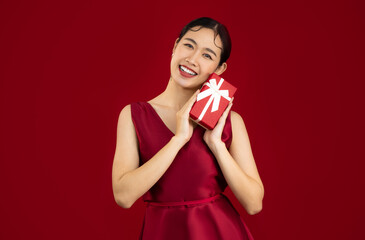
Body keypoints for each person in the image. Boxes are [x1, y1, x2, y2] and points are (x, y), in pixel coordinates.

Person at [112, 17, 264, 240]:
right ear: (175, 46)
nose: (192, 59)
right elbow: (123, 196)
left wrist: (217, 145)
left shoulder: (231, 122)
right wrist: (179, 139)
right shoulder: (133, 115)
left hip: (219, 232)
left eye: (207, 55)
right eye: (189, 45)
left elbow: (254, 204)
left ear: (219, 68)